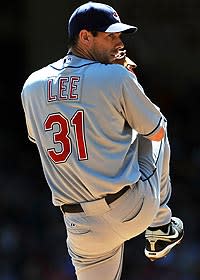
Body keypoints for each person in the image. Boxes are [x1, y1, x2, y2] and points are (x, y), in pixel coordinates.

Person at [21, 2, 184, 280]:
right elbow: (154, 131)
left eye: (120, 36)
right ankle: (160, 228)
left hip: (80, 226)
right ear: (85, 37)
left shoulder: (32, 84)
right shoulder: (116, 75)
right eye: (111, 35)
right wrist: (130, 81)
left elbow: (40, 139)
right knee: (155, 127)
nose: (119, 42)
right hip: (131, 207)